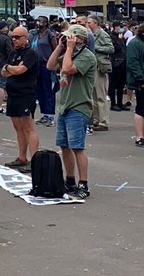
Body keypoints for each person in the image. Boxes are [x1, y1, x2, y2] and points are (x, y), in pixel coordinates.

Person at [48, 24, 98, 198]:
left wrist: (69, 49)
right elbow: (50, 65)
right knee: (64, 145)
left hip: (79, 105)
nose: (67, 39)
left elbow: (67, 69)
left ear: (81, 40)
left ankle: (83, 183)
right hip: (65, 105)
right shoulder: (70, 54)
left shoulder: (87, 56)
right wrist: (60, 47)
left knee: (77, 147)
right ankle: (69, 179)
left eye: (70, 37)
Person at [0, 25, 41, 171]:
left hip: (25, 94)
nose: (14, 40)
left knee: (28, 127)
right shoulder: (13, 53)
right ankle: (22, 157)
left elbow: (20, 70)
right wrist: (11, 69)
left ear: (25, 38)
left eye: (18, 37)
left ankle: (35, 160)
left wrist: (10, 68)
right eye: (13, 37)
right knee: (18, 128)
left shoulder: (30, 54)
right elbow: (4, 72)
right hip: (13, 94)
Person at [84, 14, 114, 131]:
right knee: (93, 95)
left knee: (100, 95)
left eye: (89, 22)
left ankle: (104, 121)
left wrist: (96, 47)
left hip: (99, 66)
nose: (87, 24)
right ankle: (96, 118)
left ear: (96, 23)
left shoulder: (102, 34)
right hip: (92, 66)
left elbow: (110, 48)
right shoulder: (89, 34)